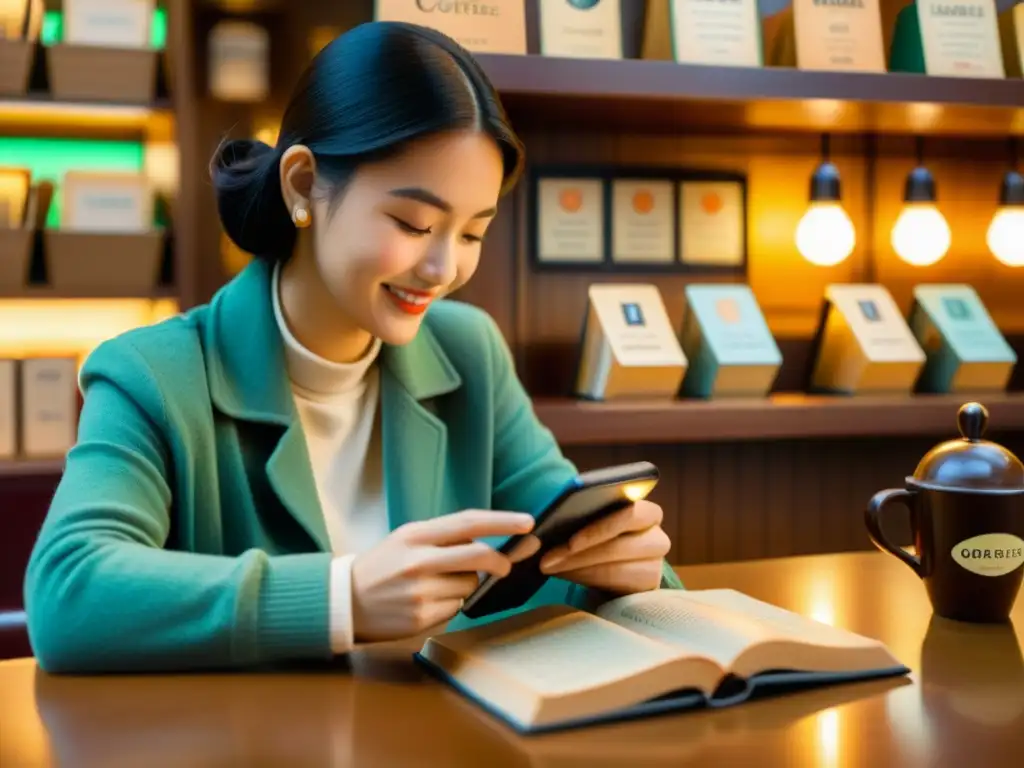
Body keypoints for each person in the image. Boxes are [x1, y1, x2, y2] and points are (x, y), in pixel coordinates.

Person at [23, 21, 681, 674]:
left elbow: (550, 541)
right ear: (303, 184)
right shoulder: (153, 375)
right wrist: (343, 598)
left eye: (473, 233)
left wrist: (629, 571)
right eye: (413, 223)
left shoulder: (467, 351)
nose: (442, 269)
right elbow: (68, 594)